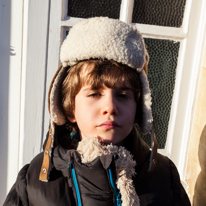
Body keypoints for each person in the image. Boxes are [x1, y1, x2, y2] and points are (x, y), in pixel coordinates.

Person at [3, 17, 191, 206]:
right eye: (94, 94)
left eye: (123, 95)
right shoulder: (34, 183)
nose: (110, 107)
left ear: (139, 108)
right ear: (70, 107)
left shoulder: (164, 177)